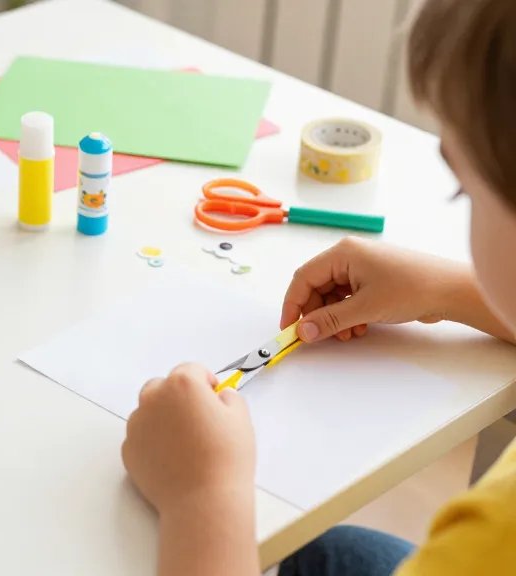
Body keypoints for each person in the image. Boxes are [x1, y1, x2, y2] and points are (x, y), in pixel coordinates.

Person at [120, 0, 516, 574]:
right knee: (328, 550)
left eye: (466, 190)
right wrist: (447, 292)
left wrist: (203, 496)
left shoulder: (489, 540)